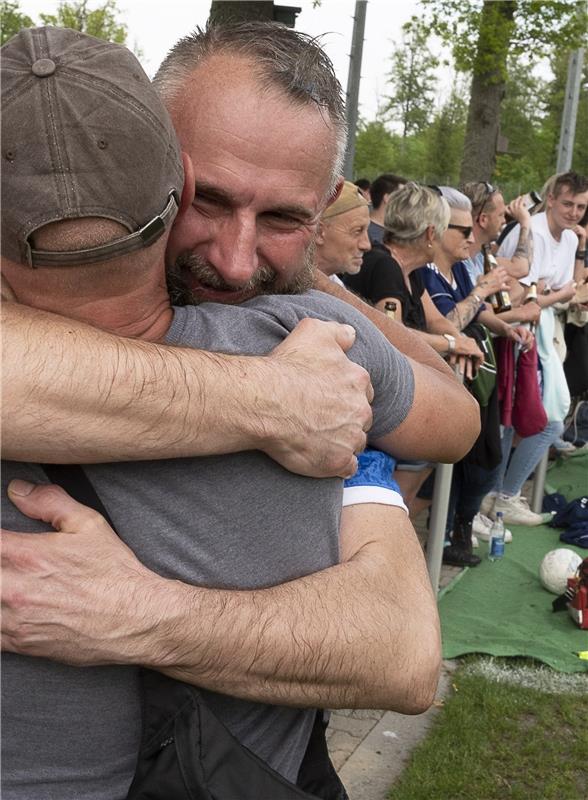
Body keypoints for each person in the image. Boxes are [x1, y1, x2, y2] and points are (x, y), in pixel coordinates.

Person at [0, 25, 468, 798]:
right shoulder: (303, 369)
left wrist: (146, 615)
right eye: (206, 199)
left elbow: (405, 649)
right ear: (154, 159)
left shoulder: (312, 339)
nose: (234, 260)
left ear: (322, 213)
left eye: (284, 219)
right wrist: (266, 398)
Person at [342, 183, 484, 512]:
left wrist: (462, 341)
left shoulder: (411, 272)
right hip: (382, 399)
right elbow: (393, 334)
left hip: (401, 388)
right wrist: (452, 344)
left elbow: (435, 322)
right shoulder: (384, 266)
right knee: (403, 486)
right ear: (431, 233)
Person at [419, 187, 533, 563]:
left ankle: (458, 530)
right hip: (448, 378)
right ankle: (445, 540)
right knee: (441, 471)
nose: (472, 238)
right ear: (435, 230)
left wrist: (505, 329)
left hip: (477, 377)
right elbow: (448, 324)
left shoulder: (458, 269)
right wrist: (483, 290)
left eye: (471, 230)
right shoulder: (426, 272)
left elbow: (477, 312)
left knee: (484, 463)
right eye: (463, 231)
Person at [481, 171, 588, 524]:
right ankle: (497, 498)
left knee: (525, 422)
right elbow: (526, 295)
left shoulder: (571, 238)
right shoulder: (534, 229)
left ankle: (499, 497)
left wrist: (561, 295)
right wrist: (563, 295)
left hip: (539, 335)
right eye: (568, 203)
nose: (574, 212)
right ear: (552, 199)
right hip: (512, 332)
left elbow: (555, 292)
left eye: (581, 206)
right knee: (533, 422)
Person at [314, 180, 371, 285]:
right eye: (358, 231)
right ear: (318, 232)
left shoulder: (335, 284)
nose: (366, 245)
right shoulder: (283, 291)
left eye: (367, 230)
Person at [367, 172, 407, 244]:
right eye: (403, 197)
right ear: (387, 198)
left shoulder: (401, 232)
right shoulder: (366, 233)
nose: (408, 203)